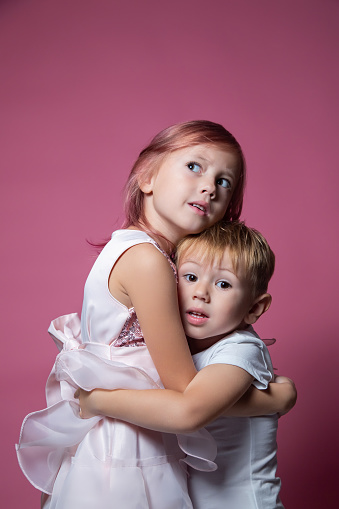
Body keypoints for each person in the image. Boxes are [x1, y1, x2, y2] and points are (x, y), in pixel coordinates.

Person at [16, 121, 295, 509]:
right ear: (147, 176)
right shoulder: (147, 261)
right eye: (195, 167)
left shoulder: (146, 254)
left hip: (133, 429)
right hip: (129, 447)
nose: (210, 187)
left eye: (225, 181)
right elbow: (186, 395)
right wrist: (273, 399)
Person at [77, 220, 293, 508]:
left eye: (223, 284)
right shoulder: (181, 349)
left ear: (254, 308)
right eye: (190, 277)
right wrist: (277, 398)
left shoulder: (240, 349)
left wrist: (98, 401)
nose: (201, 292)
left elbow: (189, 410)